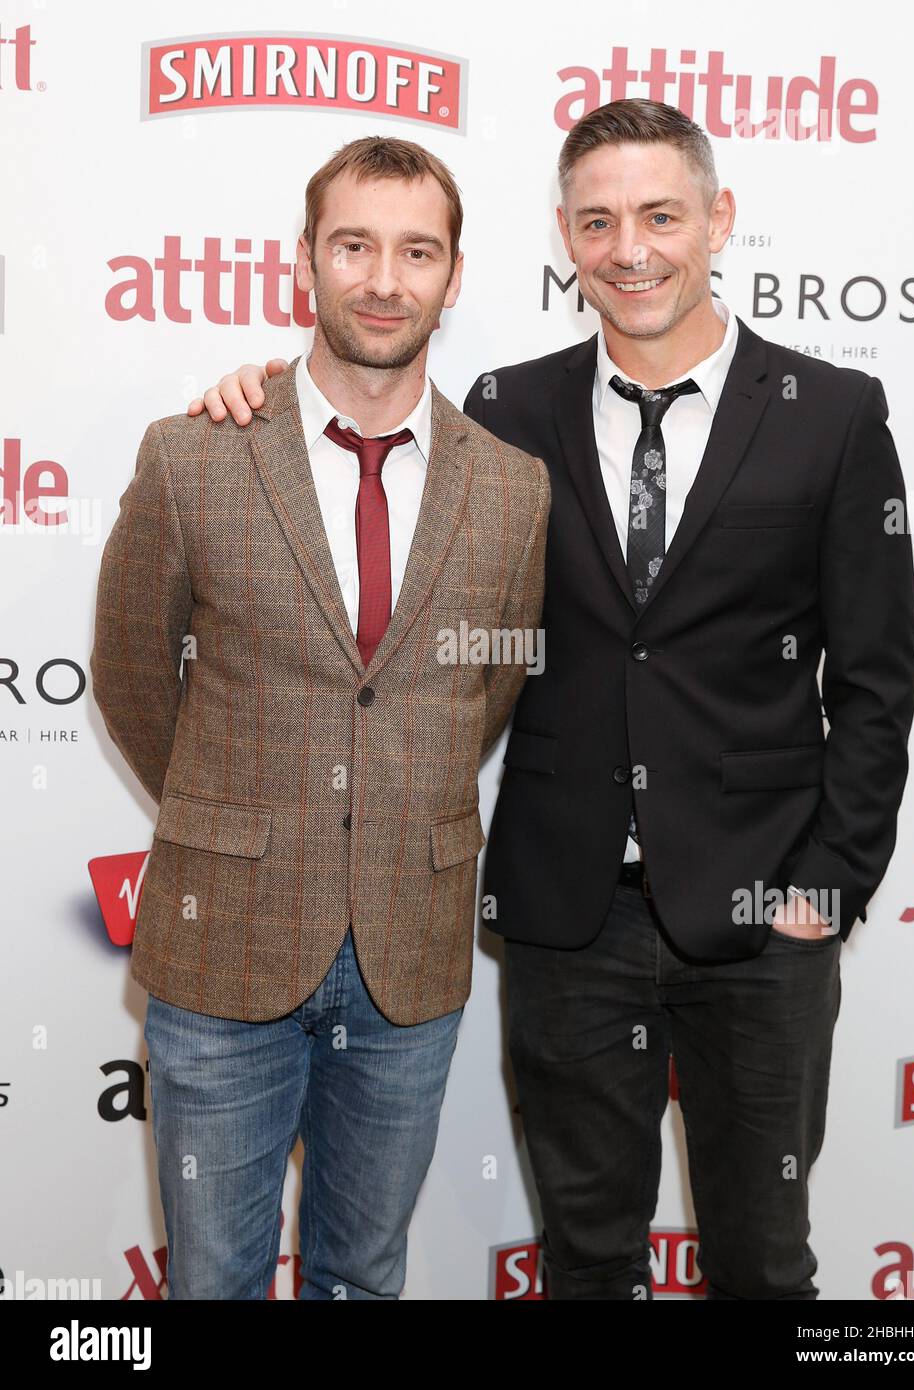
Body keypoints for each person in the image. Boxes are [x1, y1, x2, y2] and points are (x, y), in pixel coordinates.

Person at [189, 99, 914, 1300]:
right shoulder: (505, 410)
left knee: (767, 1265)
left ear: (719, 220)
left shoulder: (831, 415)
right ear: (566, 239)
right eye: (599, 221)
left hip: (764, 917)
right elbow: (362, 429)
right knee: (585, 1263)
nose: (630, 247)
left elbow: (880, 678)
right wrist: (261, 404)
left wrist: (826, 885)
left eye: (660, 215)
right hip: (566, 914)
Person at [90, 135, 549, 1301]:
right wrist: (224, 810)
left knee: (364, 1277)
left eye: (415, 251)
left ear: (454, 274)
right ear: (305, 260)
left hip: (411, 948)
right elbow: (136, 676)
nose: (383, 279)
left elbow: (485, 688)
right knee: (212, 1280)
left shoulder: (511, 485)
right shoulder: (195, 455)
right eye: (354, 245)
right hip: (222, 941)